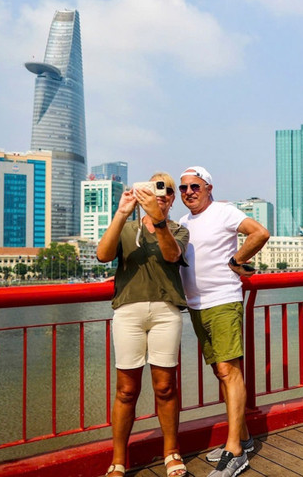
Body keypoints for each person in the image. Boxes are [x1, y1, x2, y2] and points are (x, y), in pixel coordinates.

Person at [178, 166, 270, 477]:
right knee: (222, 372)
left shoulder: (224, 212)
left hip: (222, 302)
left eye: (195, 186)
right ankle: (243, 439)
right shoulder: (182, 223)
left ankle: (233, 451)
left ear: (208, 187)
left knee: (229, 371)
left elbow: (260, 232)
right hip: (196, 305)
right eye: (183, 188)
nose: (189, 192)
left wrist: (237, 261)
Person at [96, 173, 189, 477]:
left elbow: (172, 255)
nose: (159, 195)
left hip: (165, 312)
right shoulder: (127, 228)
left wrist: (157, 219)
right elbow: (103, 254)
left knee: (165, 387)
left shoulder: (177, 229)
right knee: (126, 390)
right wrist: (122, 212)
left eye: (166, 191)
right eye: (153, 189)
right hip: (128, 312)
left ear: (172, 199)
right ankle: (119, 459)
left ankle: (172, 453)